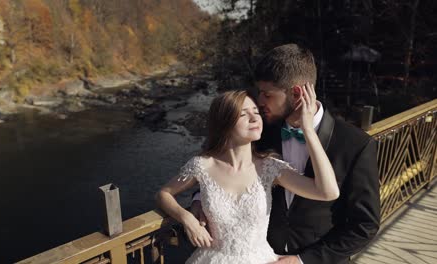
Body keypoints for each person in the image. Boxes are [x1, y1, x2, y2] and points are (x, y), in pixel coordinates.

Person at [191, 44, 381, 264]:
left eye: (267, 94)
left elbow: (365, 225)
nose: (260, 101)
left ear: (297, 92)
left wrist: (302, 260)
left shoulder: (356, 144)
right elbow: (220, 165)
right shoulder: (259, 131)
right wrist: (198, 201)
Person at [156, 86, 340, 264]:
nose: (254, 118)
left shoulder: (270, 168)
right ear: (224, 124)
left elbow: (328, 192)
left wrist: (307, 129)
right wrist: (187, 219)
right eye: (244, 114)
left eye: (256, 112)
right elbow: (164, 194)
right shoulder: (201, 165)